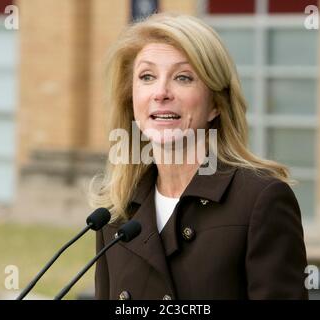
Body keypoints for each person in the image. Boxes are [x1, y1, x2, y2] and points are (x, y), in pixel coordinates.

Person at [90, 13, 308, 300]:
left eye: (183, 77)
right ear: (131, 100)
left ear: (216, 104)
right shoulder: (116, 207)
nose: (161, 92)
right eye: (147, 77)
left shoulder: (260, 200)